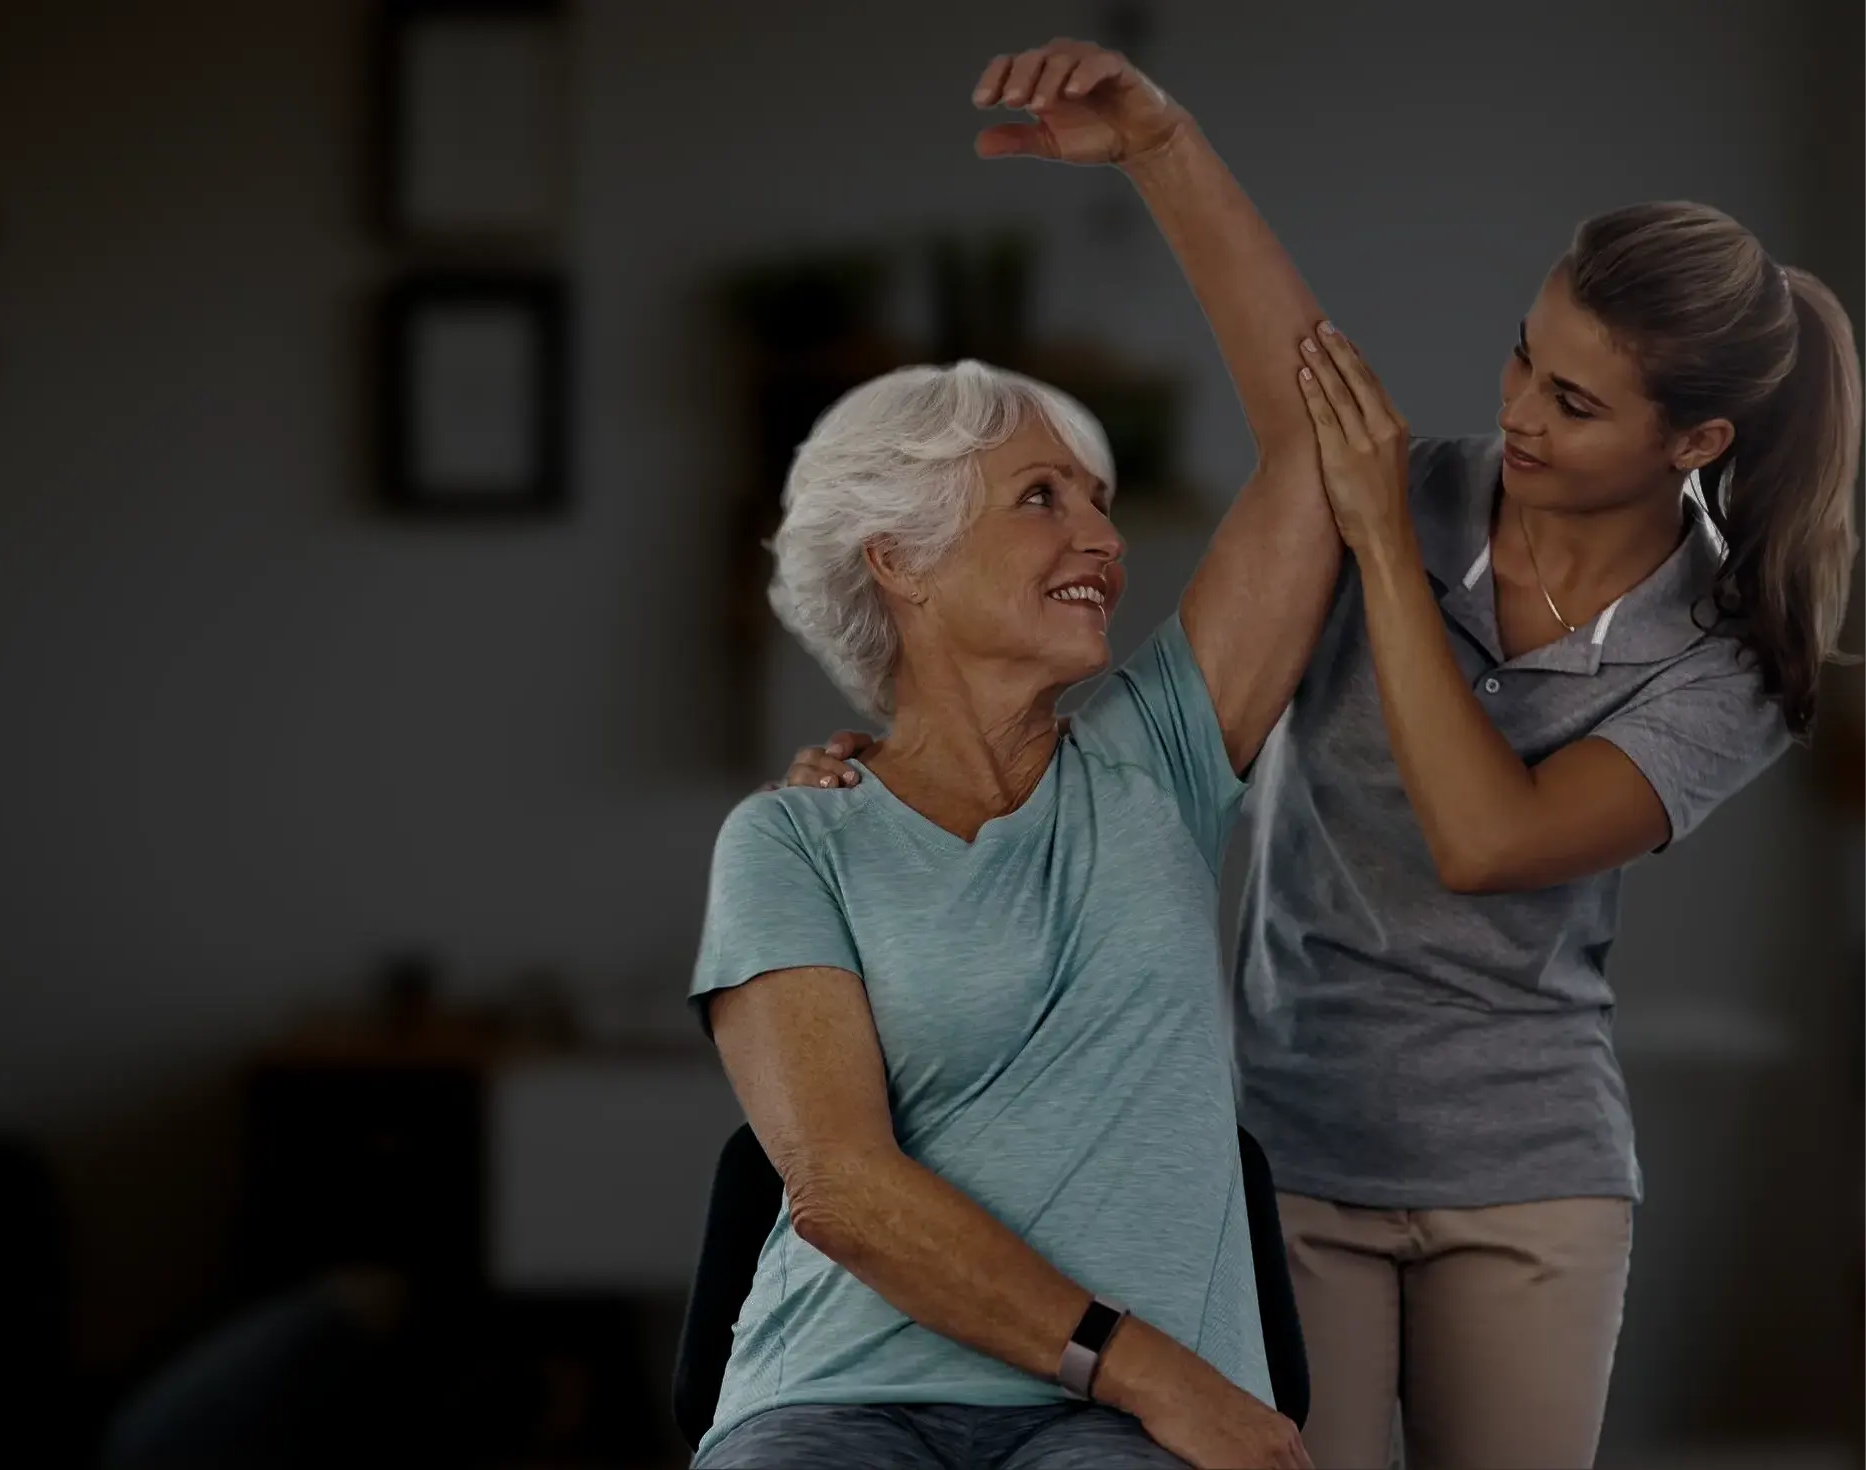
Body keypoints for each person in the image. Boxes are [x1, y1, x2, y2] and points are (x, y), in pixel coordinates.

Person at [776, 39, 1862, 1470]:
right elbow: (1291, 369)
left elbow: (1488, 838)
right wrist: (1158, 141)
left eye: (1577, 404)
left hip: (1529, 1182)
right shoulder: (1391, 486)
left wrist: (1384, 553)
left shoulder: (1730, 660)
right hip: (1282, 1149)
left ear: (1695, 440)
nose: (1519, 412)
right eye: (1523, 357)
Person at [685, 39, 1352, 1470]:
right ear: (902, 560)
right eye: (1042, 498)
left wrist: (1164, 149)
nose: (1103, 538)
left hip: (1113, 1434)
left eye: (1099, 499)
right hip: (838, 1395)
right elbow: (841, 1190)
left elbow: (1323, 450)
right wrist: (1154, 1373)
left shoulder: (1160, 756)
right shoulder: (793, 838)